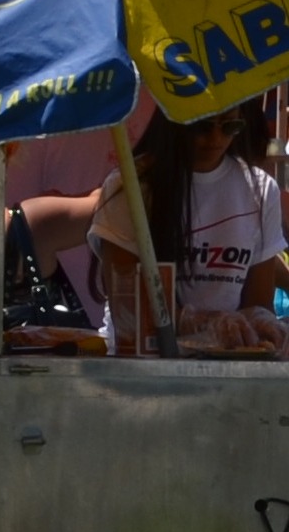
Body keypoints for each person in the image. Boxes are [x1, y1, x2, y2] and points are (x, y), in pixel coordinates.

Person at [93, 103, 289, 355]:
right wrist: (199, 322)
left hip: (226, 369)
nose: (215, 138)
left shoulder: (261, 191)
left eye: (230, 126)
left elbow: (259, 304)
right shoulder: (131, 187)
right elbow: (130, 310)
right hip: (143, 366)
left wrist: (263, 324)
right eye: (202, 125)